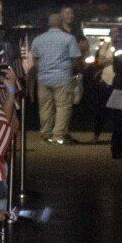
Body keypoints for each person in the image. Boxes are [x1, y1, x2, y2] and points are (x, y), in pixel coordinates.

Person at [29, 12, 81, 144]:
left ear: (48, 23)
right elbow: (75, 58)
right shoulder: (68, 38)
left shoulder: (38, 39)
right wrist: (71, 71)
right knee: (63, 107)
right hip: (62, 77)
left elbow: (34, 58)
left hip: (43, 77)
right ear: (61, 23)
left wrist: (41, 69)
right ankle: (58, 135)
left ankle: (45, 133)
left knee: (45, 107)